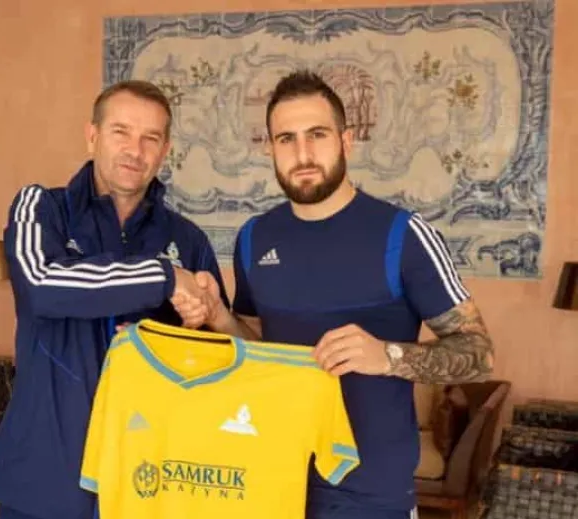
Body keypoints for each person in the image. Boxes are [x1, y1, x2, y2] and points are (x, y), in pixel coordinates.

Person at [172, 69, 495, 519]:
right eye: (286, 139)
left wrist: (388, 356)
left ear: (346, 141)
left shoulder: (404, 235)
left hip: (372, 497)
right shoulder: (254, 237)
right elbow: (262, 352)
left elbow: (479, 354)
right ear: (269, 149)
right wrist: (219, 318)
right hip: (275, 481)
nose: (303, 154)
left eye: (317, 134)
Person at [0, 79, 229, 519]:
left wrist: (185, 329)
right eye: (121, 132)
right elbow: (41, 285)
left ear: (165, 151)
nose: (135, 150)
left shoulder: (188, 240)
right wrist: (164, 277)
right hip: (44, 473)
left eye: (150, 138)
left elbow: (218, 359)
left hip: (149, 477)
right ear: (92, 136)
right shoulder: (41, 207)